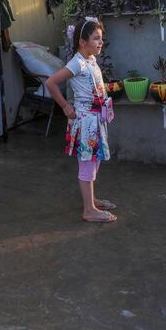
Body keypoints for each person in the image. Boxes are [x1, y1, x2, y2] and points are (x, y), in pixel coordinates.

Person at [45, 18, 116, 223]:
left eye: (101, 38)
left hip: (95, 121)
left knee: (94, 161)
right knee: (87, 164)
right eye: (96, 38)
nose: (100, 42)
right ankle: (89, 210)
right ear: (82, 42)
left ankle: (91, 200)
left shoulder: (90, 60)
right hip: (86, 123)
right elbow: (51, 83)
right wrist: (66, 107)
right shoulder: (76, 62)